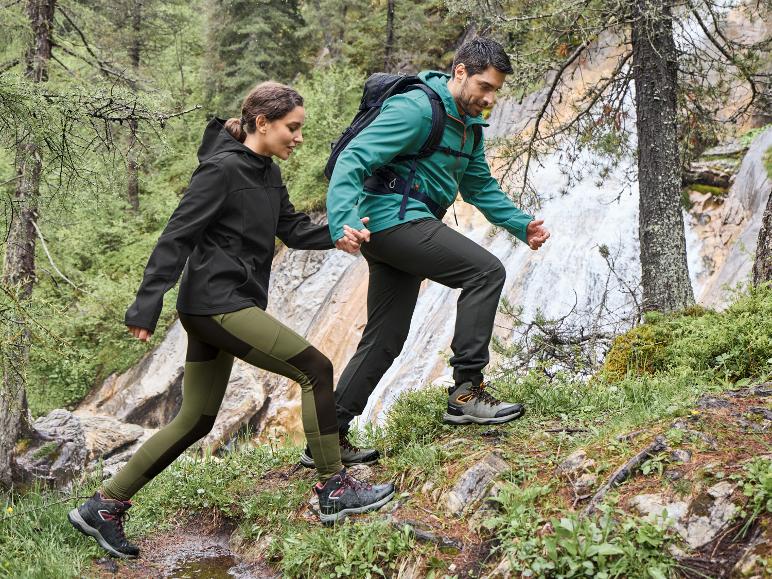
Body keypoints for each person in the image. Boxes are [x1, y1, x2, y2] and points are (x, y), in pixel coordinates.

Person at [68, 82, 394, 559]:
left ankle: (104, 505)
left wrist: (337, 237)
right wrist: (146, 305)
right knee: (316, 370)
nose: (299, 137)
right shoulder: (220, 170)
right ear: (263, 123)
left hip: (224, 304)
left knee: (196, 419)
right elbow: (175, 236)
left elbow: (293, 229)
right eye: (293, 127)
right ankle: (334, 489)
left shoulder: (267, 173)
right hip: (215, 305)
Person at [300, 37, 550, 469]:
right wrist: (343, 220)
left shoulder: (469, 126)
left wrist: (519, 223)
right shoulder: (417, 109)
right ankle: (466, 392)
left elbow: (478, 187)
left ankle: (327, 438)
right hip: (392, 221)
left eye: (495, 91)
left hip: (403, 226)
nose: (489, 99)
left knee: (386, 337)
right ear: (459, 73)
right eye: (484, 87)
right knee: (485, 272)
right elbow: (353, 160)